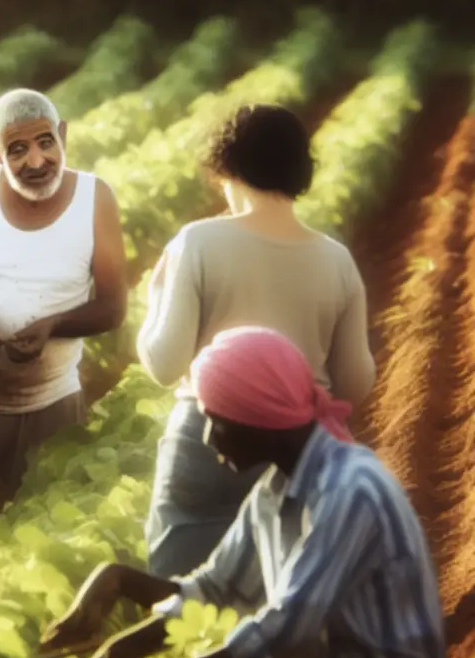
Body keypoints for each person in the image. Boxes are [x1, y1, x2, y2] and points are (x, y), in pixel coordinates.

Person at [40, 327, 454, 658]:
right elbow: (212, 591)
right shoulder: (272, 494)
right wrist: (120, 632)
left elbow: (287, 627)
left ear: (259, 418)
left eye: (218, 420)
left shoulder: (350, 488)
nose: (211, 438)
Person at [136, 104, 376, 577]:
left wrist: (153, 302)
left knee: (182, 591)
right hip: (295, 446)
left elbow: (165, 365)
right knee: (279, 588)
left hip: (212, 437)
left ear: (226, 165)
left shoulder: (199, 242)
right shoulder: (336, 260)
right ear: (299, 172)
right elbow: (355, 384)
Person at [0, 88, 127, 503]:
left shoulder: (95, 197)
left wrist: (53, 325)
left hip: (51, 407)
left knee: (41, 527)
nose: (36, 162)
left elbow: (113, 307)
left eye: (45, 143)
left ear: (63, 136)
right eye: (17, 149)